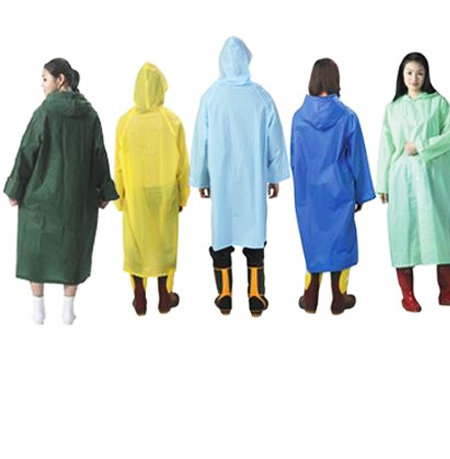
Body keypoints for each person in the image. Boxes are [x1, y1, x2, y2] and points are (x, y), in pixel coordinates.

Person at [4, 58, 118, 324]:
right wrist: (104, 191)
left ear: (60, 79)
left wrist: (15, 188)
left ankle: (38, 309)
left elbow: (27, 151)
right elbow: (99, 155)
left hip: (41, 196)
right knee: (73, 247)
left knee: (36, 248)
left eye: (45, 79)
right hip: (77, 198)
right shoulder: (90, 114)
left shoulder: (44, 112)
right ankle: (68, 310)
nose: (42, 85)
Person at [190, 36, 290, 317]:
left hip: (221, 180)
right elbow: (275, 141)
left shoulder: (211, 97)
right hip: (252, 179)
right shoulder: (261, 97)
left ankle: (224, 296)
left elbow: (201, 143)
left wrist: (202, 178)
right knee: (254, 234)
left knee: (222, 233)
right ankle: (256, 297)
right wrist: (274, 175)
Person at [377, 52, 450, 312]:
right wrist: (382, 183)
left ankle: (448, 292)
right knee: (404, 233)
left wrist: (420, 145)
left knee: (441, 230)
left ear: (426, 75)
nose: (414, 78)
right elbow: (386, 146)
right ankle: (407, 295)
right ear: (402, 75)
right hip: (402, 178)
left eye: (419, 73)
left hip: (434, 178)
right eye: (409, 73)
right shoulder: (393, 108)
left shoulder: (438, 103)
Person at [291, 58, 375, 314]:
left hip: (308, 193)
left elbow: (295, 159)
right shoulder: (348, 117)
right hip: (340, 189)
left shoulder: (299, 118)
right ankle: (339, 297)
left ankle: (310, 296)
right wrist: (361, 193)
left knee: (313, 241)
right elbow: (358, 158)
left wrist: (301, 191)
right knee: (341, 242)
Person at [114, 63, 189, 316]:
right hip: (165, 190)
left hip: (135, 191)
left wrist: (119, 197)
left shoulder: (125, 122)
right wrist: (182, 195)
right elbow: (183, 164)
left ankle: (139, 294)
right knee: (164, 243)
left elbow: (119, 165)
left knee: (137, 243)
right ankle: (165, 294)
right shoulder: (172, 121)